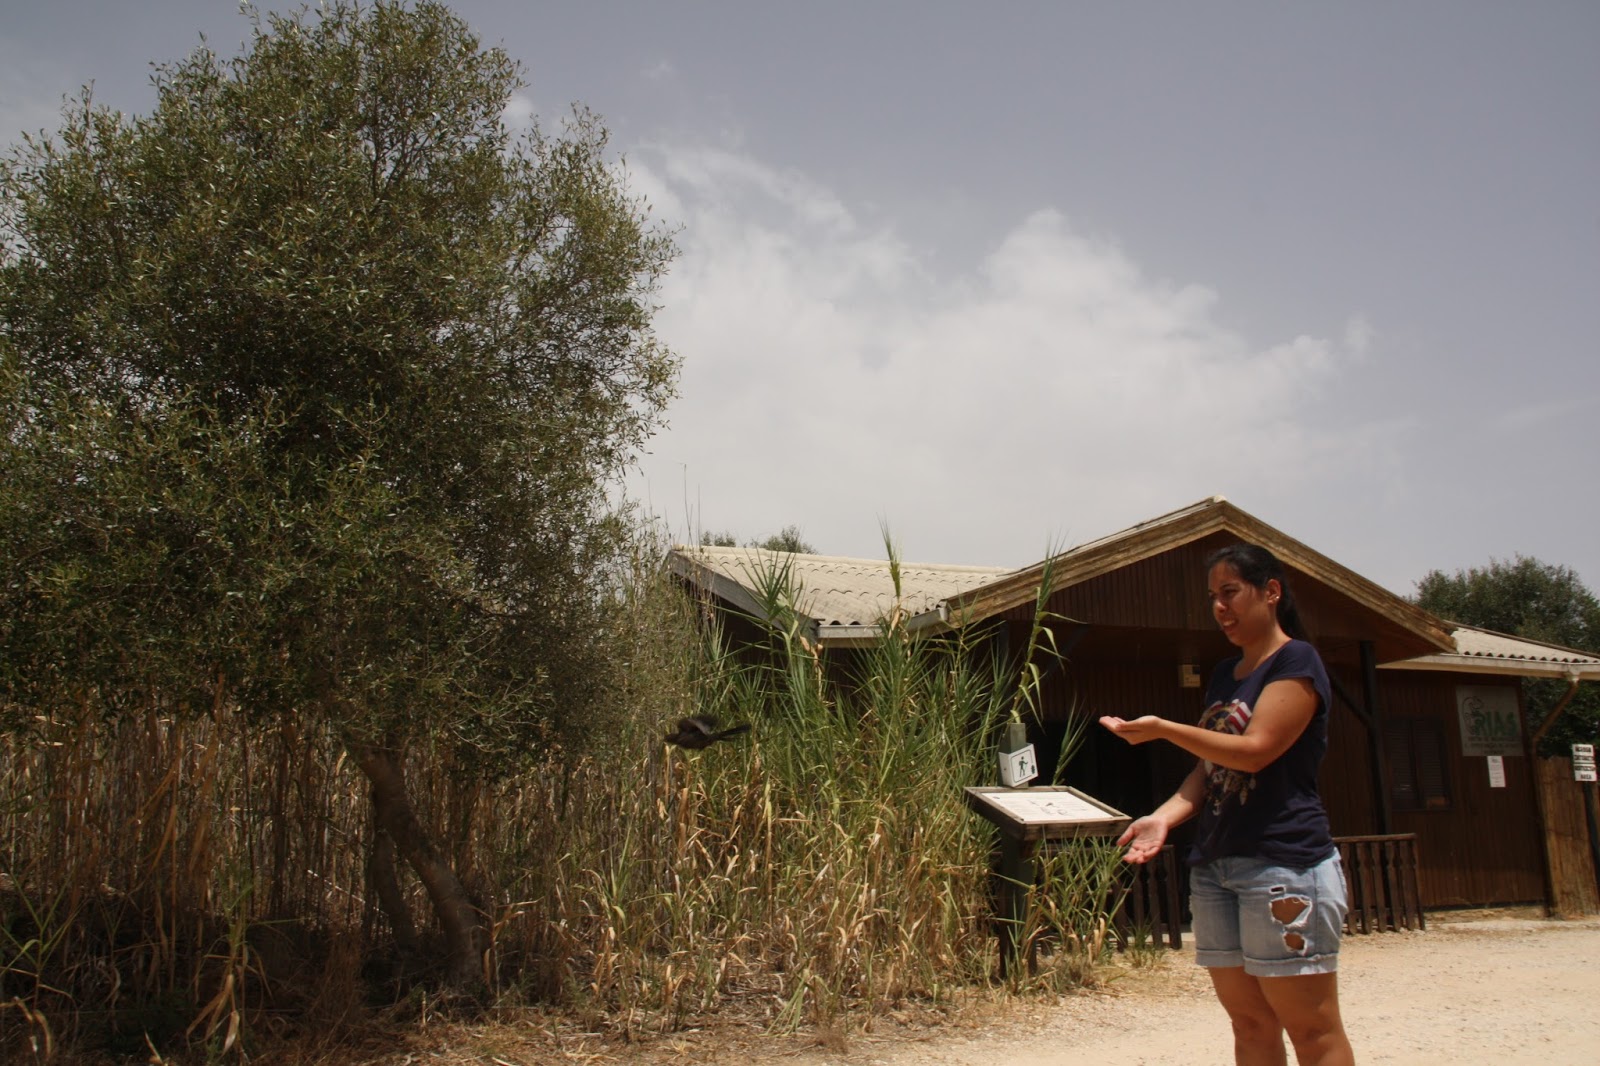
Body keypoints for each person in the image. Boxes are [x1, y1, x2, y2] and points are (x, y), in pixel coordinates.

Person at [1099, 543, 1354, 1066]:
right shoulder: (1224, 674)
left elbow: (1256, 751)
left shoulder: (1297, 661)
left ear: (1271, 592)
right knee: (1250, 1023)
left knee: (1312, 1029)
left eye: (1231, 592)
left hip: (1284, 863)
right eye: (1213, 596)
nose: (1220, 607)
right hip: (1216, 867)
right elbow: (1212, 768)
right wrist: (1162, 818)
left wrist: (1165, 729)